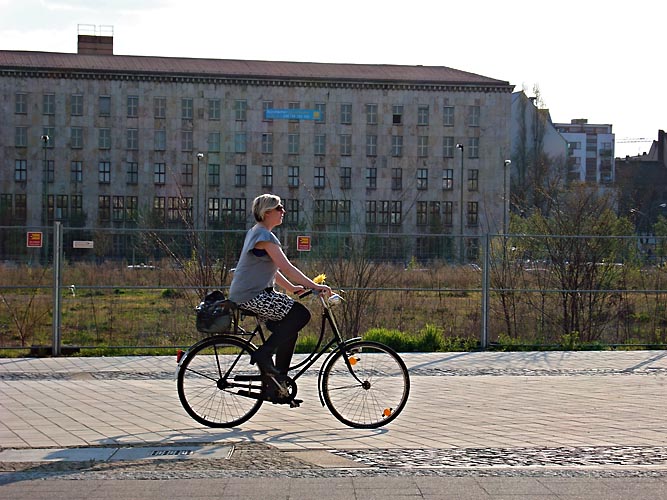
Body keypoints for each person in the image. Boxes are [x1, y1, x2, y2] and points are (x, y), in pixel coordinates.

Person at [228, 194, 331, 382]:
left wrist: (291, 288)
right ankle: (264, 354)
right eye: (279, 208)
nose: (283, 211)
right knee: (301, 315)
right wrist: (315, 285)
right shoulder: (264, 236)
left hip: (250, 294)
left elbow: (274, 270)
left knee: (289, 331)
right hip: (253, 296)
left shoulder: (257, 232)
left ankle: (278, 382)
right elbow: (287, 267)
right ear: (267, 212)